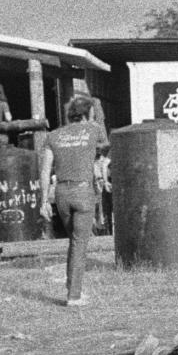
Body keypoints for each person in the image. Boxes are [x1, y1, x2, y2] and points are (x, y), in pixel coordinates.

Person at [39, 95, 106, 305]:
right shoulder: (94, 129)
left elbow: (44, 170)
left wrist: (43, 201)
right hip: (83, 192)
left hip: (61, 194)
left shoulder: (53, 136)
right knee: (79, 244)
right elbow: (103, 147)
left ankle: (72, 288)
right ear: (88, 114)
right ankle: (74, 296)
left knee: (73, 242)